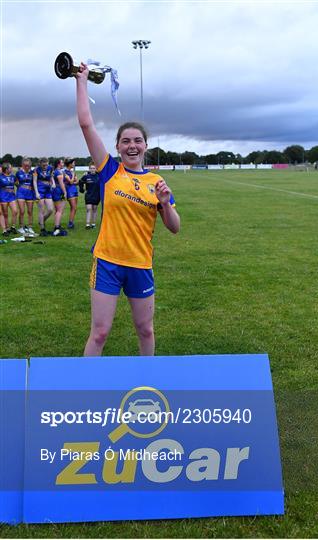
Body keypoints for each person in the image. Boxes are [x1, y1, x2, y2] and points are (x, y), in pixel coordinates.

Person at [75, 62, 180, 356]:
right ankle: (85, 390)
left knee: (145, 330)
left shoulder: (156, 182)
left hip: (140, 264)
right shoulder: (109, 170)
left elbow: (174, 226)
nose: (132, 146)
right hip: (108, 261)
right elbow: (86, 124)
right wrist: (81, 82)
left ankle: (147, 384)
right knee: (99, 332)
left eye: (137, 141)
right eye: (125, 141)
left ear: (145, 145)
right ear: (118, 146)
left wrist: (164, 204)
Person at [33, 158, 55, 236]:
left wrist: (53, 183)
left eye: (46, 164)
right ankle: (42, 228)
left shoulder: (50, 168)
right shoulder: (36, 170)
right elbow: (34, 181)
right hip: (40, 190)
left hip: (48, 190)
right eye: (44, 165)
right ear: (40, 164)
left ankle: (41, 221)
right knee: (41, 210)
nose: (45, 166)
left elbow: (51, 177)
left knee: (50, 209)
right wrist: (36, 193)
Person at [15, 157, 36, 234]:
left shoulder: (33, 172)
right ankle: (21, 227)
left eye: (28, 165)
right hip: (21, 193)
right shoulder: (18, 172)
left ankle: (30, 227)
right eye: (25, 165)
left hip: (30, 193)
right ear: (22, 165)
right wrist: (21, 187)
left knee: (30, 211)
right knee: (22, 211)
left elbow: (35, 182)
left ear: (30, 165)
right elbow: (16, 182)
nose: (27, 167)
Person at [79, 162, 100, 229]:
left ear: (96, 168)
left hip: (96, 195)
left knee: (94, 209)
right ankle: (87, 224)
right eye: (91, 168)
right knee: (89, 208)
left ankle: (93, 224)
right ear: (89, 169)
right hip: (88, 195)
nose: (92, 169)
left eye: (93, 168)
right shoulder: (86, 176)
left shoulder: (99, 175)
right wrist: (81, 189)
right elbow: (80, 181)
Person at [0, 163, 18, 236]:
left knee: (15, 211)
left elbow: (17, 184)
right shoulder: (0, 177)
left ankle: (13, 227)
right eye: (10, 168)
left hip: (12, 197)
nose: (11, 169)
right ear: (6, 169)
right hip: (3, 197)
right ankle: (6, 229)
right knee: (5, 214)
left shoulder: (13, 176)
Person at [52, 159, 68, 236]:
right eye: (61, 162)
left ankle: (57, 224)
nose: (63, 163)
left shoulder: (56, 171)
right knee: (59, 210)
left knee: (57, 210)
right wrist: (65, 192)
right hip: (59, 191)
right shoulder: (58, 172)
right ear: (58, 164)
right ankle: (57, 227)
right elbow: (61, 183)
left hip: (55, 191)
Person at [64, 158, 79, 229]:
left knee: (74, 208)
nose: (74, 164)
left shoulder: (72, 171)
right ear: (69, 164)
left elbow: (76, 182)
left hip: (74, 189)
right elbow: (70, 182)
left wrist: (74, 180)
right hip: (69, 191)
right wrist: (73, 176)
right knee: (73, 207)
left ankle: (71, 222)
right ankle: (70, 223)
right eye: (73, 163)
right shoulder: (65, 172)